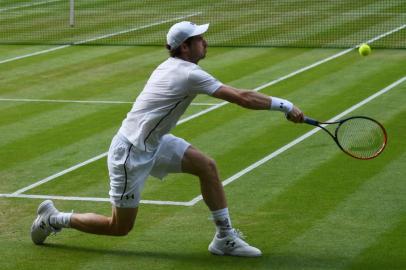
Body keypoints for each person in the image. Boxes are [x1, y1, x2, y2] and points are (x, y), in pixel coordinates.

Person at [31, 21, 304, 257]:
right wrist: (285, 106)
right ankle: (54, 219)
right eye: (198, 39)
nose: (205, 42)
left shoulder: (172, 66)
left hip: (155, 142)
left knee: (206, 166)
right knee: (119, 227)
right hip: (131, 153)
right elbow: (242, 97)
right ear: (185, 47)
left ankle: (225, 238)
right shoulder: (187, 73)